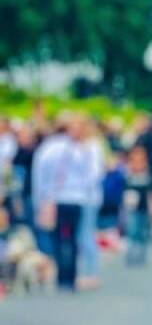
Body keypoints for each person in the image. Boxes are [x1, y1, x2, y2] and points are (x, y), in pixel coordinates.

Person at [30, 114, 101, 291]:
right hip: (77, 199)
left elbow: (39, 175)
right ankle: (71, 276)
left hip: (58, 199)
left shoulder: (50, 147)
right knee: (74, 239)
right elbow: (92, 176)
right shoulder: (83, 148)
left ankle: (63, 276)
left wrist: (40, 199)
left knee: (60, 238)